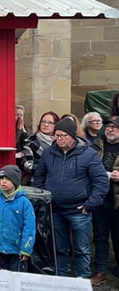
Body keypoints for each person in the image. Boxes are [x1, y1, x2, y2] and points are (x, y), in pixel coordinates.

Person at [34, 117, 109, 278]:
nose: (59, 139)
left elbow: (101, 181)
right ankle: (62, 278)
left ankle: (82, 280)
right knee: (59, 248)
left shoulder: (88, 154)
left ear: (72, 136)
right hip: (55, 209)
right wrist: (44, 199)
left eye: (63, 136)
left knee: (81, 249)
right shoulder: (48, 153)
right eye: (57, 135)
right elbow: (39, 177)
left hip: (79, 210)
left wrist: (90, 205)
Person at [0, 165, 35, 272]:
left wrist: (26, 249)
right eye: (1, 178)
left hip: (16, 250)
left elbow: (29, 227)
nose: (3, 182)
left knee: (16, 279)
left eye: (7, 179)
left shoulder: (24, 203)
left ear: (15, 181)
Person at [90, 116, 119, 286]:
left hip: (117, 200)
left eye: (114, 127)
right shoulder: (97, 145)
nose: (110, 129)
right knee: (100, 236)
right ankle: (100, 271)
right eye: (108, 126)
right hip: (99, 198)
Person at [19, 111, 59, 185]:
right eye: (43, 121)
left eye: (50, 123)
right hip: (35, 183)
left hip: (56, 183)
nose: (46, 125)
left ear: (56, 125)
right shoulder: (30, 142)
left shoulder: (60, 143)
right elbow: (28, 165)